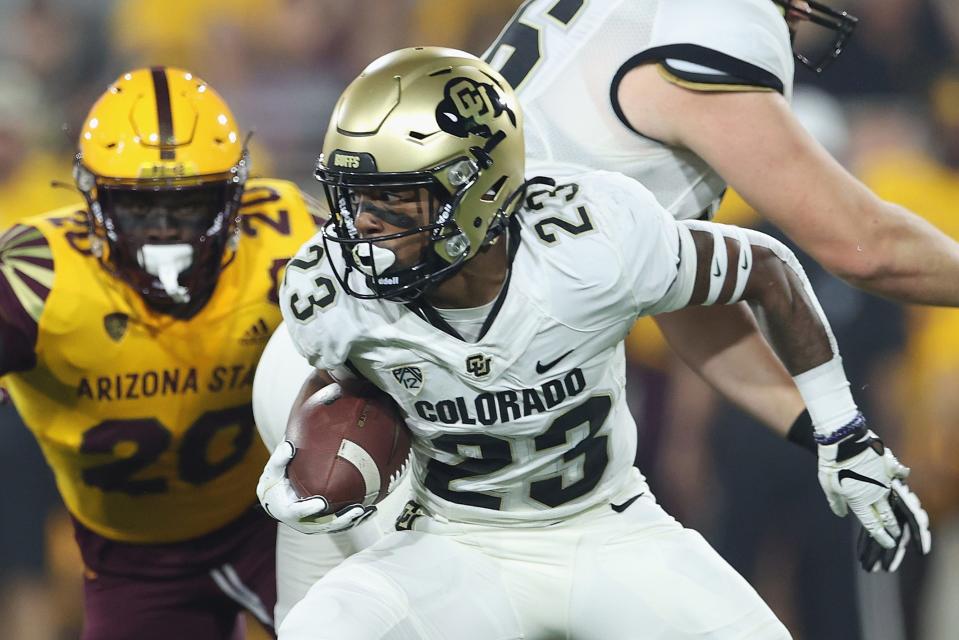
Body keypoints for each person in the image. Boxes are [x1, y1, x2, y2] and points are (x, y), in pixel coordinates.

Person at [256, 47, 914, 639]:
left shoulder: (592, 240)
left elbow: (764, 269)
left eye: (393, 199)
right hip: (455, 542)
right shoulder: (329, 290)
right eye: (352, 201)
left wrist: (841, 432)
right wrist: (300, 448)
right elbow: (345, 382)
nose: (361, 229)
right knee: (319, 628)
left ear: (477, 190)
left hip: (609, 530)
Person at [481, 0, 932, 570]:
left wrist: (834, 436)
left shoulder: (619, 30)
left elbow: (673, 291)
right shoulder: (709, 19)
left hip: (487, 367)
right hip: (476, 384)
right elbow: (867, 247)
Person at [0, 66, 319, 639]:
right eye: (140, 208)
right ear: (93, 202)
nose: (166, 232)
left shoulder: (286, 234)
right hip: (133, 563)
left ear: (232, 199)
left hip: (276, 519)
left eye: (190, 206)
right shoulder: (38, 276)